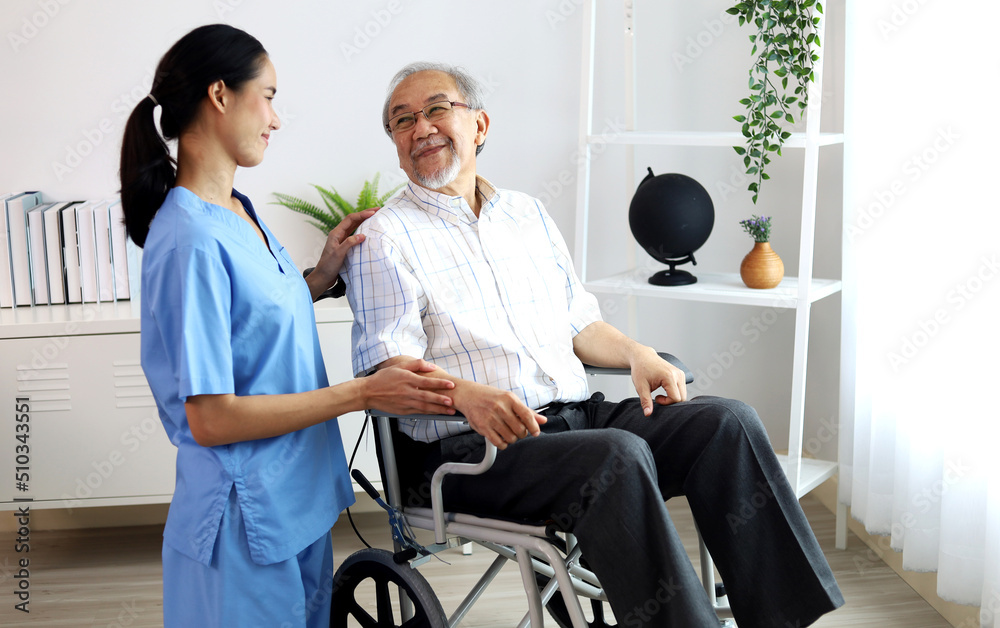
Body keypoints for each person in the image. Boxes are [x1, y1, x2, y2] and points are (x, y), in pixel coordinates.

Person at [343, 61, 845, 627]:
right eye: (402, 121)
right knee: (617, 456)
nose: (421, 128)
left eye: (436, 108)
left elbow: (581, 325)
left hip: (578, 423)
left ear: (478, 124)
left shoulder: (526, 214)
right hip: (472, 452)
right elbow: (390, 373)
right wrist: (466, 397)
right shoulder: (384, 237)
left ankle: (784, 618)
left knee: (727, 422)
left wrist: (638, 353)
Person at [118, 28, 456, 628]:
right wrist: (361, 394)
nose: (275, 119)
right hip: (243, 524)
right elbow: (211, 416)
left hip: (296, 503)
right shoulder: (189, 240)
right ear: (220, 95)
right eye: (268, 96)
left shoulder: (238, 210)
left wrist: (321, 274)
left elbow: (251, 323)